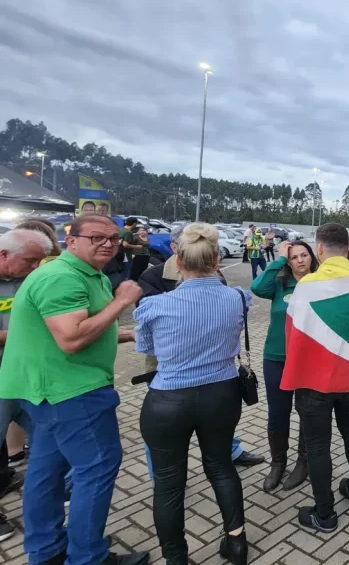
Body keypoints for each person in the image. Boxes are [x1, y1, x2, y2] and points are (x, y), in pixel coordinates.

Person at [0, 215, 147, 565]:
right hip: (72, 392)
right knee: (96, 469)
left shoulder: (82, 274)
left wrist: (128, 334)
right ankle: (87, 557)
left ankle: (47, 550)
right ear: (73, 239)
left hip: (46, 392)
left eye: (113, 238)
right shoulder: (62, 278)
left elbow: (75, 329)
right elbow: (71, 338)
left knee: (46, 472)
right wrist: (122, 301)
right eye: (97, 237)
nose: (108, 244)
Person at [134, 223, 250, 565]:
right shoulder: (239, 298)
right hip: (221, 395)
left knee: (169, 484)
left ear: (178, 261)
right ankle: (236, 542)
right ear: (217, 260)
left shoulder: (153, 307)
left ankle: (176, 558)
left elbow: (146, 347)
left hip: (168, 400)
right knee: (221, 468)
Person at [137, 226, 264, 476]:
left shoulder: (219, 283)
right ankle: (162, 473)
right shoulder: (152, 277)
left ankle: (231, 450)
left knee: (190, 470)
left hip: (202, 381)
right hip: (173, 376)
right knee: (199, 467)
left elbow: (145, 343)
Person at [282, 224, 349, 532]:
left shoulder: (307, 286)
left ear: (318, 249)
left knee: (318, 445)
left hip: (314, 379)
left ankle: (325, 514)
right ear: (347, 248)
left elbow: (292, 331)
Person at [251, 240, 318, 493]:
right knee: (278, 413)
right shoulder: (279, 284)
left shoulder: (321, 284)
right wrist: (278, 259)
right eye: (293, 257)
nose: (300, 260)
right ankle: (278, 463)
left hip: (310, 360)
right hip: (277, 357)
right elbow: (257, 286)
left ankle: (303, 462)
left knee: (306, 411)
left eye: (304, 255)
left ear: (312, 257)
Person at [0, 229, 51, 542]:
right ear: (4, 255)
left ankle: (50, 493)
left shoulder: (27, 281)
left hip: (28, 376)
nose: (34, 268)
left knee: (48, 432)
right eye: (30, 261)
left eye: (38, 262)